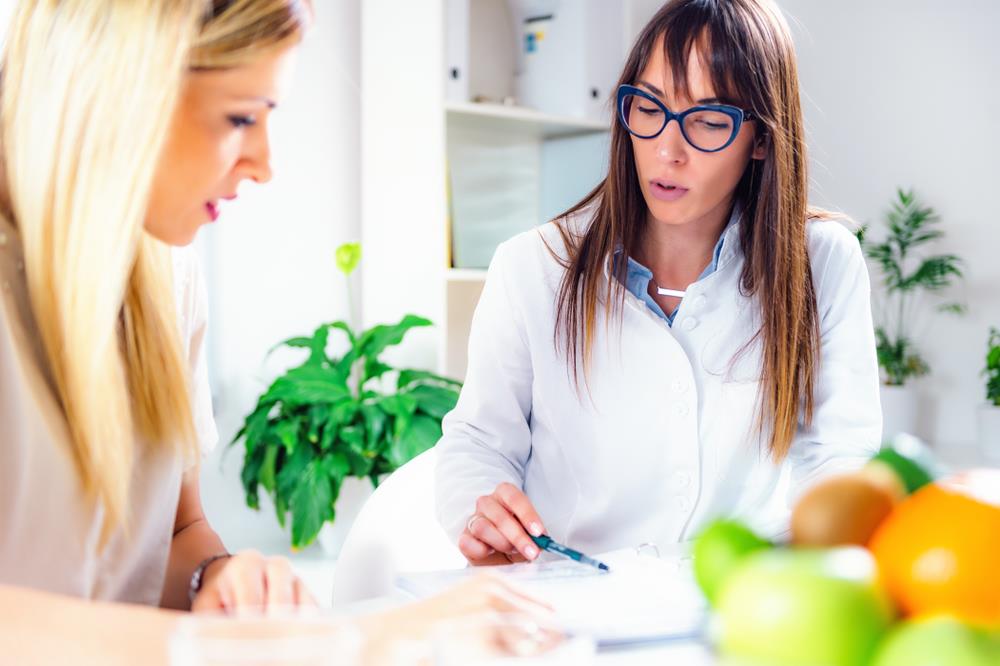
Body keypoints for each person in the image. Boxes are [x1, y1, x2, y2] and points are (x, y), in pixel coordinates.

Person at [0, 0, 546, 659]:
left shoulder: (167, 276)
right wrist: (336, 639)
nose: (264, 163)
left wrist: (217, 579)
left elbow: (176, 536)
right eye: (240, 117)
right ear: (119, 87)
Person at [436, 0, 881, 566]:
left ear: (763, 139)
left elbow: (839, 452)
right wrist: (480, 511)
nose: (668, 150)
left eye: (708, 121)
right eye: (648, 107)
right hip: (565, 594)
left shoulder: (821, 262)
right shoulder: (532, 266)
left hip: (740, 601)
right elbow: (477, 443)